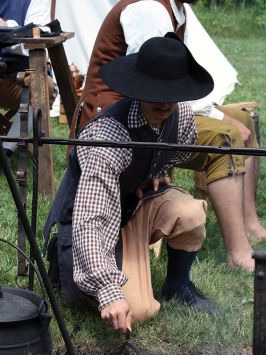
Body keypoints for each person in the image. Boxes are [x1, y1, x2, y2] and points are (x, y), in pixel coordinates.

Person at [71, 0, 266, 272]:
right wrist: (222, 118)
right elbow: (155, 85)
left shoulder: (175, 9)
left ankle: (250, 224)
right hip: (122, 123)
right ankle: (238, 252)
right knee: (228, 135)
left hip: (152, 114)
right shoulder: (149, 8)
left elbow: (171, 85)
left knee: (244, 120)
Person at [44, 35, 220, 333]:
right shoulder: (109, 137)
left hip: (133, 205)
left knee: (189, 211)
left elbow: (179, 150)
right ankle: (74, 266)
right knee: (135, 310)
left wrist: (157, 169)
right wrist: (108, 291)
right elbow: (91, 220)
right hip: (92, 221)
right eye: (155, 93)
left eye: (172, 93)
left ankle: (178, 284)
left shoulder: (182, 118)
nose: (165, 103)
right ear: (138, 89)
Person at [0, 0, 56, 161]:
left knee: (42, 86)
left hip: (18, 79)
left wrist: (5, 28)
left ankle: (6, 152)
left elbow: (36, 39)